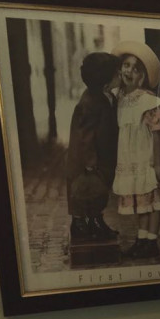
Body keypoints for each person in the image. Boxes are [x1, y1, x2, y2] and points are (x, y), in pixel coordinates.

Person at [111, 40, 160, 258]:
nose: (129, 71)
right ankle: (141, 240)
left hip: (148, 158)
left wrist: (157, 163)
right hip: (131, 159)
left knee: (153, 202)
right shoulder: (120, 98)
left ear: (142, 76)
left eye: (136, 69)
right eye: (126, 65)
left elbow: (157, 134)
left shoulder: (148, 101)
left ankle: (152, 241)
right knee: (141, 203)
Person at [66, 52, 120, 241]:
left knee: (98, 192)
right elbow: (84, 135)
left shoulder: (106, 96)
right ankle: (79, 225)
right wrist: (90, 162)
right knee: (83, 191)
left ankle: (96, 221)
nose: (120, 75)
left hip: (101, 156)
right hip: (87, 160)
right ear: (105, 82)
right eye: (116, 73)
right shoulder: (89, 103)